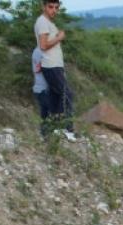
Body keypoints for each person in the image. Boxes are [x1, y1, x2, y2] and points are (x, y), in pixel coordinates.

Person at [35, 0, 76, 141]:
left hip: (54, 65)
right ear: (43, 7)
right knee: (67, 95)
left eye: (56, 8)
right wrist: (59, 38)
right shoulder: (42, 22)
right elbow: (43, 45)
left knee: (55, 97)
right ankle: (68, 129)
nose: (54, 10)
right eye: (50, 7)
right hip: (51, 65)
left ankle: (51, 130)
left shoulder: (48, 23)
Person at [31, 47, 51, 138]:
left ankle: (45, 137)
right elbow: (40, 68)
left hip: (43, 89)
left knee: (45, 114)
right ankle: (47, 137)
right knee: (51, 113)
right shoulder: (40, 51)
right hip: (43, 89)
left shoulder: (43, 51)